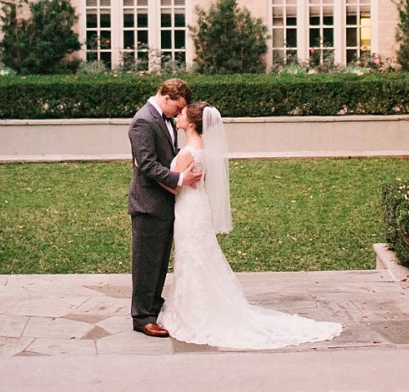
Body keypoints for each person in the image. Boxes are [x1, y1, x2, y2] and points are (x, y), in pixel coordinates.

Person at [158, 100, 343, 349]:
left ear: (191, 123)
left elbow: (173, 185)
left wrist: (147, 172)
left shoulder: (187, 153)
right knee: (198, 257)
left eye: (180, 114)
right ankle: (200, 304)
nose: (177, 117)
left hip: (189, 210)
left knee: (192, 257)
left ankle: (194, 311)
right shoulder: (203, 149)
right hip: (198, 206)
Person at [128, 77, 201, 336]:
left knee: (158, 261)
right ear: (166, 97)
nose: (178, 113)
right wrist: (180, 179)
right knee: (146, 262)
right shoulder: (143, 121)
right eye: (177, 107)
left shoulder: (163, 119)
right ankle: (142, 317)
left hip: (165, 202)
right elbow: (147, 165)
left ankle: (154, 305)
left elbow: (167, 156)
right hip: (148, 203)